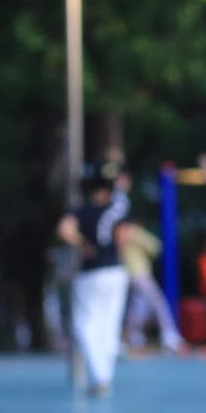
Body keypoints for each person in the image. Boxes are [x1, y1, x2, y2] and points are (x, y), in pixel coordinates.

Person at [56, 163, 132, 397]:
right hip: (117, 272)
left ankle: (100, 376)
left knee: (83, 325)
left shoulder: (82, 209)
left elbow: (64, 230)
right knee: (109, 326)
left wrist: (83, 244)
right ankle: (105, 375)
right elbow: (125, 236)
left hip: (91, 273)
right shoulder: (119, 209)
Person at [117, 219, 180, 353]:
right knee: (158, 303)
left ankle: (132, 338)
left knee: (136, 307)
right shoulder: (134, 232)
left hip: (126, 274)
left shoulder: (118, 234)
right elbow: (156, 246)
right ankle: (169, 336)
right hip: (140, 273)